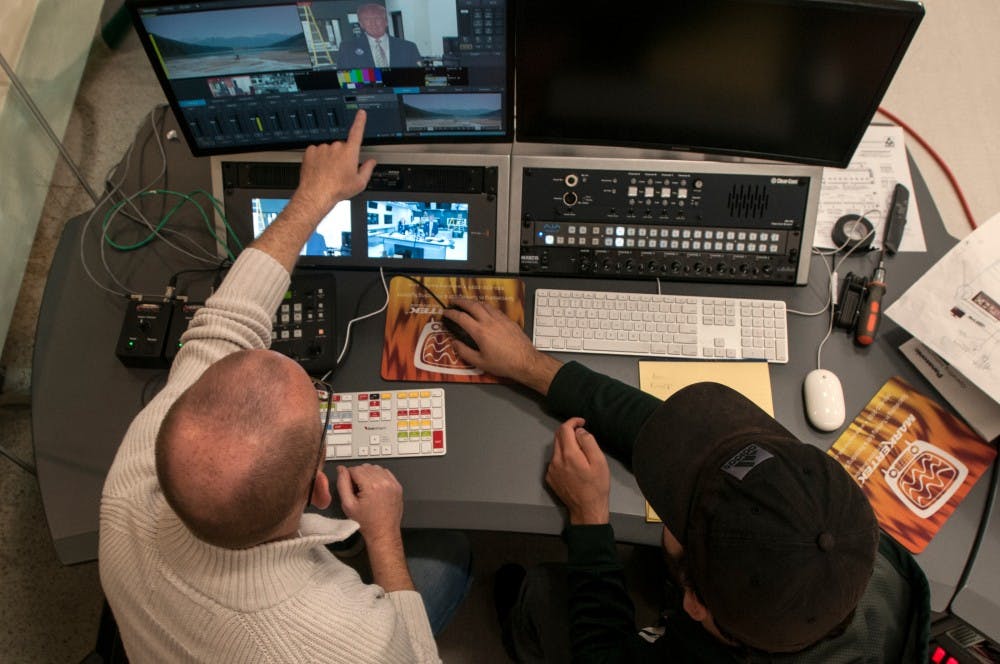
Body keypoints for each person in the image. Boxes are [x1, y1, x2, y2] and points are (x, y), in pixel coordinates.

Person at [99, 111, 469, 662]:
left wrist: (313, 197)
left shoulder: (127, 493)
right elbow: (419, 656)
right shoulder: (353, 645)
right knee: (451, 558)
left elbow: (224, 326)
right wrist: (384, 536)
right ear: (320, 491)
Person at [441, 299, 931, 663]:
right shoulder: (843, 529)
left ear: (694, 603)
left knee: (547, 596)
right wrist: (531, 366)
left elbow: (604, 653)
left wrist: (590, 525)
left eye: (684, 496)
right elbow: (673, 432)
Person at [338, 3, 422, 69]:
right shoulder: (347, 49)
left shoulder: (409, 48)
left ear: (386, 21)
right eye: (367, 19)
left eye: (377, 18)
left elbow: (418, 77)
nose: (373, 23)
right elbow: (344, 81)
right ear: (361, 24)